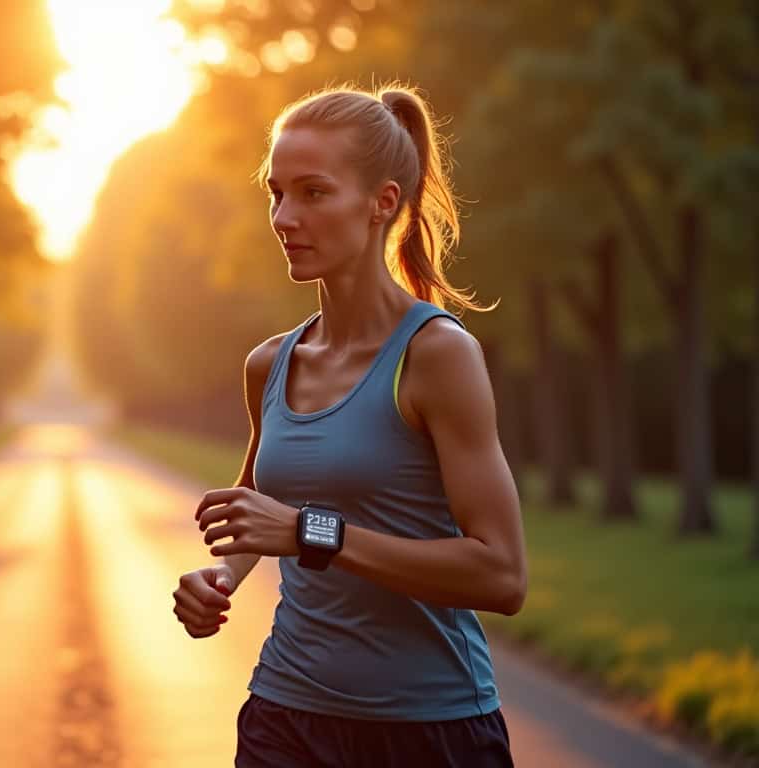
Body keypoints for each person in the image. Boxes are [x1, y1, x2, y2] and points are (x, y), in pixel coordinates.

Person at [170, 84, 527, 767]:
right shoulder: (269, 363)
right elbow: (259, 517)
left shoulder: (436, 357)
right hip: (286, 718)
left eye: (312, 193)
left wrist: (309, 532)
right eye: (275, 193)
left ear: (381, 203)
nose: (283, 216)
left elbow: (501, 574)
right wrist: (217, 577)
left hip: (431, 730)